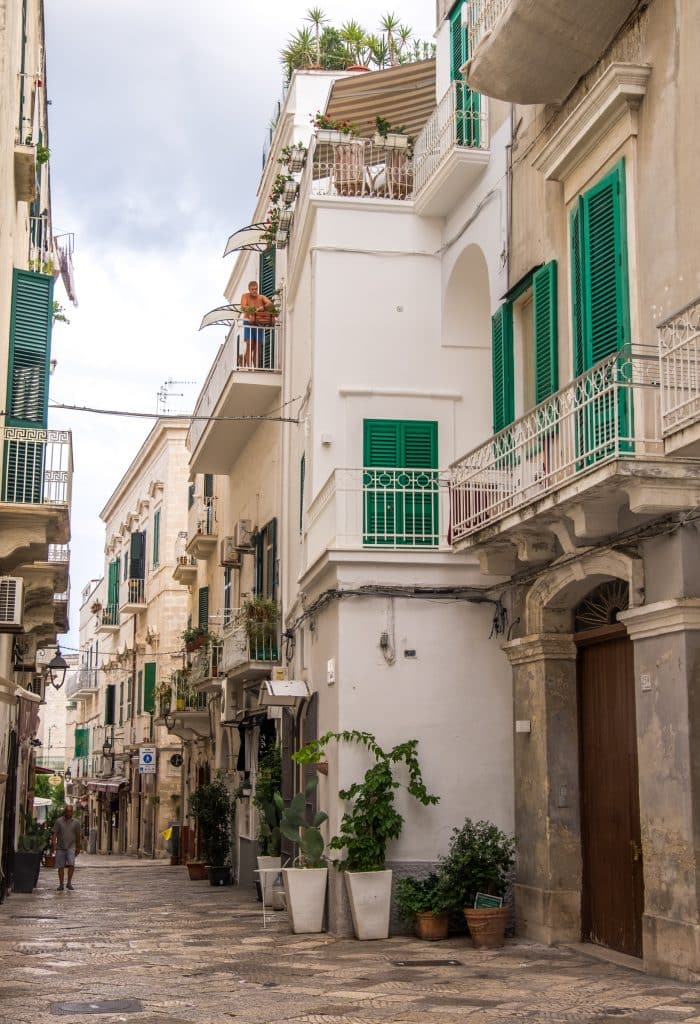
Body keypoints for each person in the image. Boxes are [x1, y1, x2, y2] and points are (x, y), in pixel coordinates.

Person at [240, 280, 274, 368]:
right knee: (250, 344)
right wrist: (253, 310)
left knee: (257, 346)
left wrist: (262, 307)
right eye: (252, 289)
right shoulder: (245, 296)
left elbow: (270, 303)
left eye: (256, 289)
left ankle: (255, 368)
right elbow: (243, 307)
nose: (254, 291)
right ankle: (248, 366)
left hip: (258, 324)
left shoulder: (261, 297)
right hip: (248, 322)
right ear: (249, 289)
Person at [52, 804, 81, 892]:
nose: (69, 813)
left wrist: (78, 847)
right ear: (65, 811)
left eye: (71, 811)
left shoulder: (76, 822)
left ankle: (69, 883)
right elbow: (54, 834)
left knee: (71, 864)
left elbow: (78, 835)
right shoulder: (59, 821)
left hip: (71, 847)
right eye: (68, 811)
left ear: (72, 812)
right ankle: (61, 884)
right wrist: (54, 844)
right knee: (60, 866)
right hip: (60, 847)